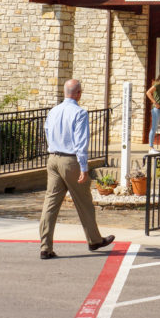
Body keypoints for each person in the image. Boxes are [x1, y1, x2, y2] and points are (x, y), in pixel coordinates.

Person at [38, 79, 115, 260]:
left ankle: (45, 247)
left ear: (66, 92)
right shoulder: (80, 113)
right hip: (70, 160)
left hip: (53, 158)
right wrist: (84, 167)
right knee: (84, 202)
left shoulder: (54, 111)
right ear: (78, 93)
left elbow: (47, 131)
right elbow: (81, 143)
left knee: (50, 204)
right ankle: (94, 240)